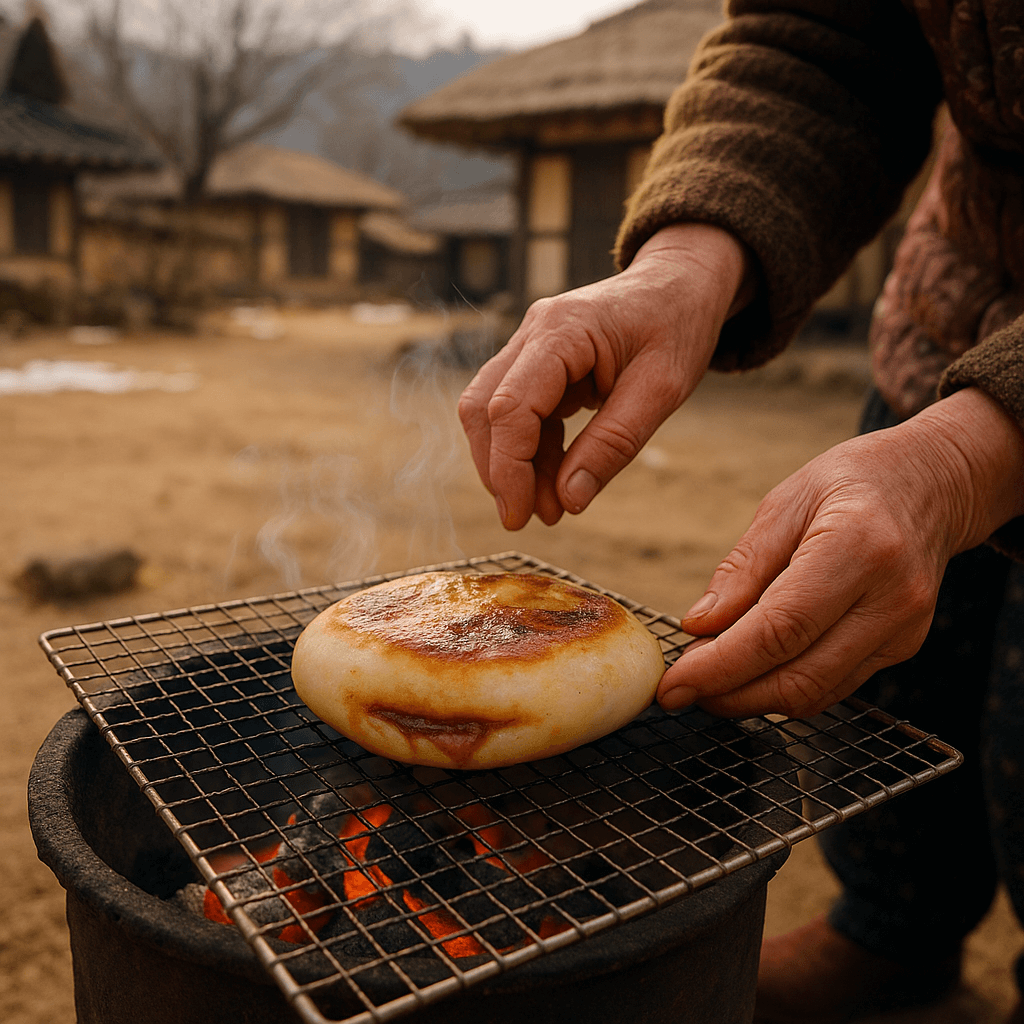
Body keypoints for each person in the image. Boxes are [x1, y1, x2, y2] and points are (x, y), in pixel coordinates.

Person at [457, 3, 1024, 1022]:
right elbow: (819, 35)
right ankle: (892, 938)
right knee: (894, 693)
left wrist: (966, 457)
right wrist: (683, 261)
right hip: (951, 304)